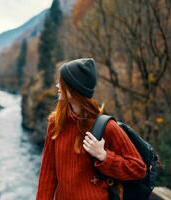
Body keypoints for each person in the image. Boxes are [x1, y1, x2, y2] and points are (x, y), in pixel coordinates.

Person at [35, 58, 147, 200]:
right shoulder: (55, 123)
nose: (58, 86)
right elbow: (48, 173)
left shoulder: (107, 127)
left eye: (62, 83)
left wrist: (104, 157)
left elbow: (138, 168)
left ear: (75, 89)